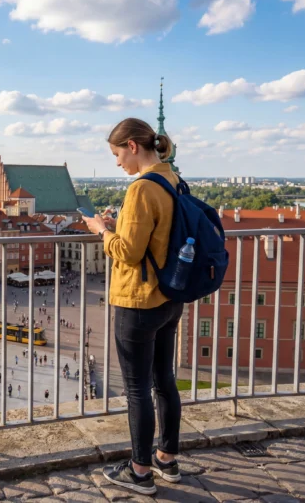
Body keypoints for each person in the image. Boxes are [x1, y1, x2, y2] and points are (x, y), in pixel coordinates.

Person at [80, 118, 183, 496]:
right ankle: (167, 460)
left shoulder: (141, 188)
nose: (117, 162)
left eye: (117, 153)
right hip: (170, 298)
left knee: (137, 389)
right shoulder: (170, 177)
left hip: (138, 300)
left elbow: (129, 252)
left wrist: (102, 231)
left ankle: (139, 472)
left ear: (133, 146)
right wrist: (118, 224)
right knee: (164, 382)